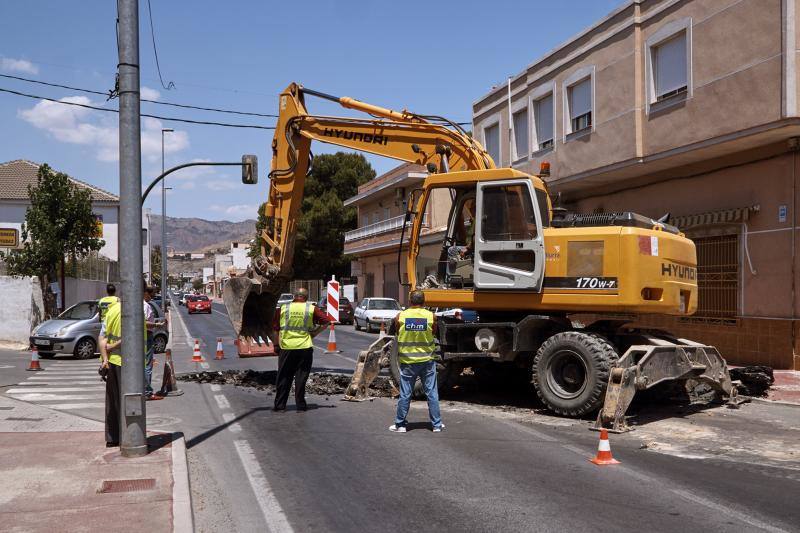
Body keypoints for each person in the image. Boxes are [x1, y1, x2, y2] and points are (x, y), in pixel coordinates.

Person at [390, 290, 444, 433]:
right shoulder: (431, 316)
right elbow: (433, 333)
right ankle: (436, 425)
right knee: (432, 393)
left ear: (410, 301)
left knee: (405, 393)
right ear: (424, 302)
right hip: (427, 361)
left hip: (408, 361)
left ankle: (400, 425)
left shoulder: (400, 316)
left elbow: (397, 333)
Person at [270, 287, 329, 411]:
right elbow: (326, 321)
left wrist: (276, 345)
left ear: (294, 296)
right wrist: (315, 333)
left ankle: (280, 405)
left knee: (284, 376)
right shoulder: (311, 308)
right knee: (301, 377)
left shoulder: (283, 308)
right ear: (306, 297)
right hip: (304, 347)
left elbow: (275, 329)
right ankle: (301, 405)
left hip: (286, 347)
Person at [99, 299, 123, 447]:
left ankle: (113, 437)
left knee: (113, 401)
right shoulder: (133, 311)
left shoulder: (111, 311)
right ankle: (128, 436)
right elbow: (131, 337)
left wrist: (105, 359)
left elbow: (102, 338)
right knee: (128, 402)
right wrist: (113, 346)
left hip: (112, 362)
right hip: (127, 363)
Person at [447, 198, 476, 277]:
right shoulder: (474, 220)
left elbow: (475, 239)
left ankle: (451, 275)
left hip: (472, 249)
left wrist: (467, 249)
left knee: (451, 250)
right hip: (470, 246)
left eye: (472, 208)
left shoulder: (478, 221)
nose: (470, 210)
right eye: (470, 208)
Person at [143, 286, 161, 399]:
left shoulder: (139, 305)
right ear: (146, 293)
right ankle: (147, 392)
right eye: (151, 294)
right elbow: (144, 322)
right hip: (147, 335)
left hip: (142, 335)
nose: (152, 297)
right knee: (147, 365)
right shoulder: (145, 306)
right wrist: (156, 324)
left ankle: (143, 389)